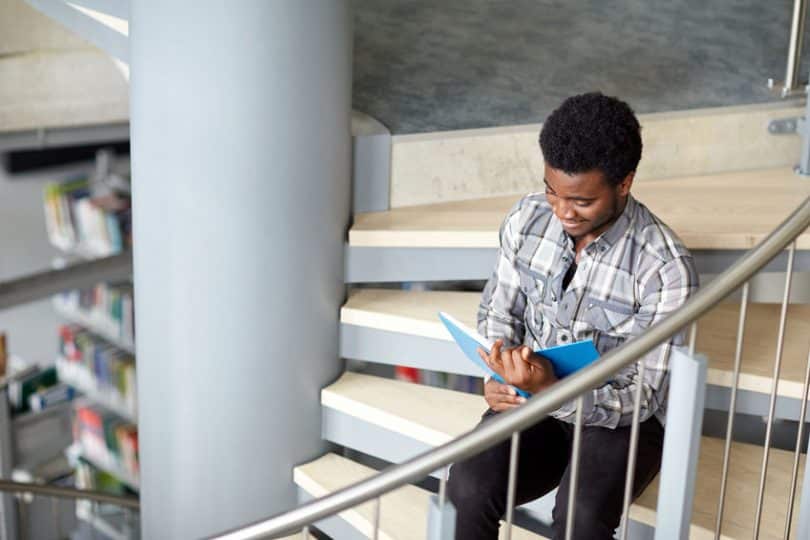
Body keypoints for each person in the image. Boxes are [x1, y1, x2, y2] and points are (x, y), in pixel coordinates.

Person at [446, 92, 699, 540]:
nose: (562, 211)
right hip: (532, 398)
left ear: (624, 183)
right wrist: (501, 368)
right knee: (467, 482)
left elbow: (644, 397)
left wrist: (553, 391)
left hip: (622, 421)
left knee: (579, 519)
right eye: (552, 191)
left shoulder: (665, 267)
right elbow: (499, 308)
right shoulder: (527, 218)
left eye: (581, 201)